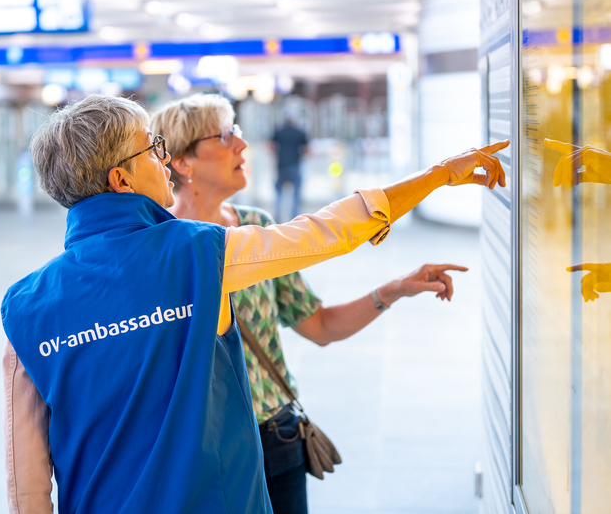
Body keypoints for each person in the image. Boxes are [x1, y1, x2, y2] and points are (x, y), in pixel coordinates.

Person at [1, 93, 508, 514]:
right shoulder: (200, 253)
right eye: (153, 151)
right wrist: (441, 174)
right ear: (121, 180)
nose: (163, 161)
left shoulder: (24, 306)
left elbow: (27, 482)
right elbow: (327, 232)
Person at [150, 93, 469, 514]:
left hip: (278, 436)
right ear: (182, 161)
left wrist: (395, 289)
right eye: (226, 135)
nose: (242, 145)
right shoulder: (159, 250)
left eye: (238, 132)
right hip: (205, 451)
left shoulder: (255, 226)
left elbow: (318, 326)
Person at [272, 116, 309, 221]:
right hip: (294, 165)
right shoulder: (299, 132)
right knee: (296, 194)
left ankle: (277, 216)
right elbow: (306, 149)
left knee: (279, 192)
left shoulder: (279, 131)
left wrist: (278, 156)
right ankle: (295, 218)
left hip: (281, 165)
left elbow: (271, 146)